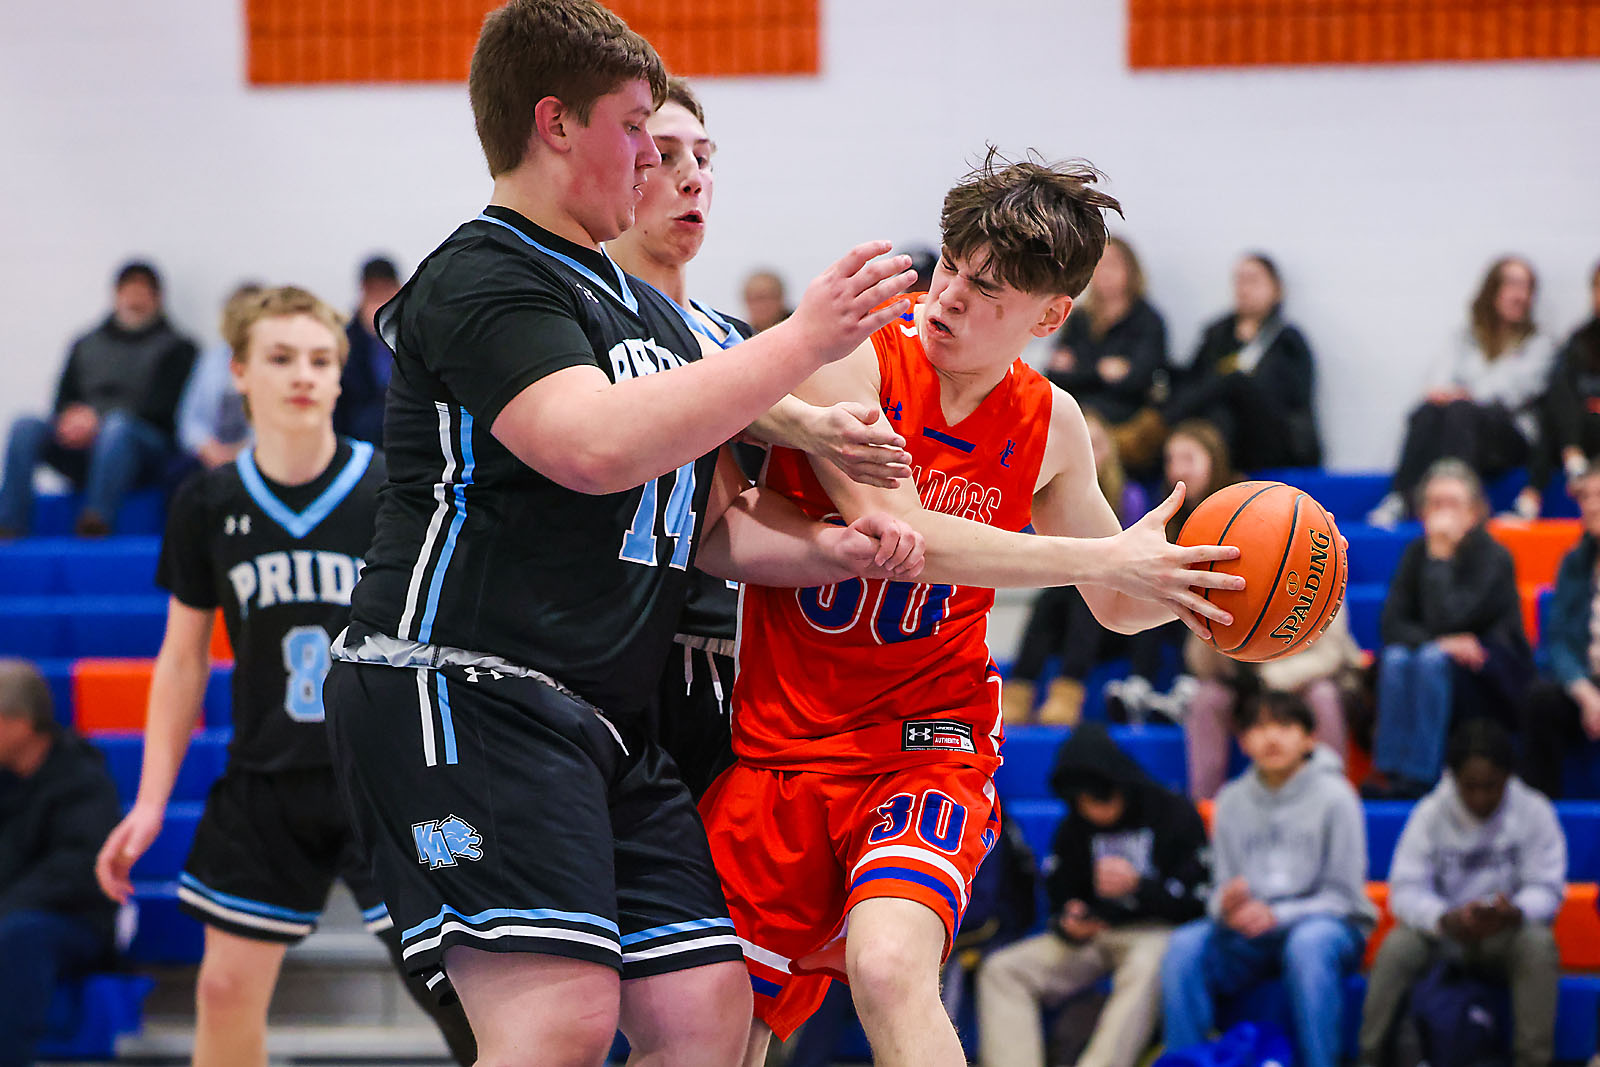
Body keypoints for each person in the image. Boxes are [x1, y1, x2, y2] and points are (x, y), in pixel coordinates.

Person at [319, 3, 927, 1064]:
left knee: (703, 1016)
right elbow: (589, 448)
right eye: (638, 125)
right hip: (465, 682)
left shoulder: (639, 312)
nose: (655, 153)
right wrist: (802, 340)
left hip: (600, 715)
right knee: (557, 1019)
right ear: (556, 125)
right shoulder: (483, 272)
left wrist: (826, 552)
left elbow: (701, 529)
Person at [703, 152, 1243, 1067]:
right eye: (950, 264)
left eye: (984, 287)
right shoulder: (854, 361)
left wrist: (1202, 589)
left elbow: (1114, 601)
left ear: (1050, 315)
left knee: (886, 967)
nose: (948, 294)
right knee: (716, 1041)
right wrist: (1099, 555)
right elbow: (901, 535)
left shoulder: (1053, 423)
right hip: (783, 747)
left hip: (928, 743)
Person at [92, 287, 477, 1067]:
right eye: (280, 357)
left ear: (342, 378)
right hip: (266, 778)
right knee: (224, 993)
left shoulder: (395, 490)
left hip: (387, 779)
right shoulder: (207, 501)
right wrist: (151, 800)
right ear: (238, 372)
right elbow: (183, 658)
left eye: (321, 358)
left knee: (464, 998)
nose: (303, 373)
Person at [608, 78, 916, 798]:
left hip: (727, 663)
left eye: (705, 156)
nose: (692, 177)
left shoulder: (738, 341)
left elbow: (733, 505)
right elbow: (675, 395)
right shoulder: (584, 321)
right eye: (665, 154)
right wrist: (806, 421)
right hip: (608, 654)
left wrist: (839, 544)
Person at [1161, 690, 1374, 1067]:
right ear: (1242, 741)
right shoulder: (1231, 799)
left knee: (1308, 945)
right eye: (1258, 728)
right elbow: (1220, 886)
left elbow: (1344, 896)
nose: (1271, 737)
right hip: (1250, 933)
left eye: (1284, 725)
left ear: (1309, 738)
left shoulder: (1337, 797)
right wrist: (1226, 907)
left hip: (1324, 925)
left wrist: (1279, 915)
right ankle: (1187, 1061)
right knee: (1183, 946)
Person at [975, 723, 1207, 1067]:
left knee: (1152, 962)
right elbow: (1060, 895)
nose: (1092, 808)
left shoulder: (1172, 812)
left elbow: (1199, 901)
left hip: (1155, 930)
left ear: (1121, 785)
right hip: (1092, 936)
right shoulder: (1074, 826)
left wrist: (1139, 887)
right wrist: (1068, 921)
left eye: (1099, 797)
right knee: (1002, 970)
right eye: (1081, 801)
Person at [1358, 718, 1564, 1067]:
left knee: (1539, 945)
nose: (1480, 797)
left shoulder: (1535, 811)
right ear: (1452, 778)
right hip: (1444, 932)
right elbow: (1404, 891)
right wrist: (1442, 918)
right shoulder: (1429, 813)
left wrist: (1516, 911)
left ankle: (1533, 1061)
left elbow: (1547, 888)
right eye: (1470, 786)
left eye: (1491, 786)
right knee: (1396, 946)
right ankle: (1369, 1057)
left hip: (1505, 933)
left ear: (1508, 777)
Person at [1364, 459, 1532, 799]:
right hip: (1431, 659)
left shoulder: (1493, 555)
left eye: (1453, 504)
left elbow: (1454, 617)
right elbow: (1391, 624)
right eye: (1435, 504)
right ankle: (1389, 770)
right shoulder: (1414, 554)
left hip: (1487, 670)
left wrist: (1440, 560)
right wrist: (1441, 643)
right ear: (1423, 512)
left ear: (1473, 512)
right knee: (1397, 657)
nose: (1443, 513)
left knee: (1428, 659)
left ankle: (1419, 777)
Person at [0, 261, 198, 537]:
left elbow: (165, 410)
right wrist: (73, 420)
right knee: (25, 426)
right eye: (129, 292)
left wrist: (98, 421)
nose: (135, 300)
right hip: (85, 446)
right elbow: (63, 400)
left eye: (142, 292)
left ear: (157, 298)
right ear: (116, 295)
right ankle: (10, 523)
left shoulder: (179, 348)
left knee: (118, 427)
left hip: (142, 449)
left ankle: (97, 520)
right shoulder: (86, 343)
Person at [1370, 257, 1558, 526]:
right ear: (1492, 290)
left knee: (1460, 410)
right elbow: (1439, 380)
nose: (1520, 295)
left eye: (1527, 287)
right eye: (1512, 285)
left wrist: (1464, 395)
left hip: (1510, 436)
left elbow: (1514, 390)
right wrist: (1444, 393)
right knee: (1427, 412)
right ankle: (1401, 498)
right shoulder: (1464, 335)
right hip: (1462, 428)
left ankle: (1461, 500)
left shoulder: (1540, 342)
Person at [0, 660, 121, 1067]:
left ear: (21, 723)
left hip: (76, 923)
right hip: (13, 914)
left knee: (20, 935)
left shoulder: (83, 779)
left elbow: (77, 872)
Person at [1006, 410, 1150, 725]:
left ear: (1109, 450)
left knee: (1083, 593)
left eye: (1096, 444)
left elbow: (1126, 564)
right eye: (1083, 443)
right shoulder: (1054, 493)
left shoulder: (1130, 495)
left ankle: (1067, 694)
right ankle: (1019, 689)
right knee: (1051, 598)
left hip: (1113, 617)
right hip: (1067, 607)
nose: (1089, 452)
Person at [1102, 418, 1238, 725]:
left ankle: (1188, 685)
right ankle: (1139, 684)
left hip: (1224, 604)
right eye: (1171, 460)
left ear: (1214, 460)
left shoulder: (1241, 503)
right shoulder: (1168, 513)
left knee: (1191, 593)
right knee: (1154, 588)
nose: (1177, 470)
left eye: (1188, 459)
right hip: (1176, 602)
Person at [1162, 253, 1321, 473]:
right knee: (1216, 409)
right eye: (1239, 280)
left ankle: (1160, 422)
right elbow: (1194, 382)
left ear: (1277, 290)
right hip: (1222, 433)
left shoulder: (1288, 341)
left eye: (1253, 280)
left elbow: (1291, 400)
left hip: (1273, 439)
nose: (1244, 288)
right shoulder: (1216, 334)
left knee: (1235, 382)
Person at [1183, 609, 1361, 801]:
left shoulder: (1326, 580)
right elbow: (1201, 667)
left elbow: (1329, 656)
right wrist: (1211, 622)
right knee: (1208, 698)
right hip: (1245, 683)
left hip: (1303, 680)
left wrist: (1271, 676)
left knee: (1323, 695)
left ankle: (1332, 794)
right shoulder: (1222, 580)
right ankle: (1205, 805)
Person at [1045, 236, 1170, 476]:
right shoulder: (1079, 319)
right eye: (1099, 265)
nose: (1104, 272)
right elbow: (1055, 375)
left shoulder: (1148, 321)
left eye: (1113, 264)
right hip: (1078, 412)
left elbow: (1136, 382)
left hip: (1125, 421)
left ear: (1131, 270)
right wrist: (1101, 371)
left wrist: (1080, 370)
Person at [1519, 460, 1600, 797]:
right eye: (1585, 497)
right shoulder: (1575, 561)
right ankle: (1541, 813)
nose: (1592, 505)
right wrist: (1586, 693)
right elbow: (1560, 639)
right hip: (1586, 685)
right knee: (1541, 699)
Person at [1521, 261, 1600, 517]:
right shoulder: (1580, 340)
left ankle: (1533, 492)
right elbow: (1562, 392)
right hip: (1583, 428)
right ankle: (1572, 458)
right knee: (1552, 396)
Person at [175, 282, 261, 472]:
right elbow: (190, 419)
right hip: (211, 453)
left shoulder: (275, 361)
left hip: (257, 454)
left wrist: (239, 451)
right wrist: (209, 448)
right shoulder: (212, 358)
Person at [332, 256, 402, 445]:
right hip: (360, 439)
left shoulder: (418, 338)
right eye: (373, 292)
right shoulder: (345, 341)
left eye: (385, 291)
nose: (379, 301)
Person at [742, 268, 793, 332]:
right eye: (755, 299)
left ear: (780, 298)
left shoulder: (799, 328)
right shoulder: (741, 335)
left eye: (764, 298)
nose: (761, 306)